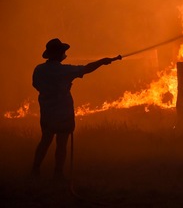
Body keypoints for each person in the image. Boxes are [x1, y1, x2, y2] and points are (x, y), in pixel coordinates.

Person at [31, 38, 122, 180]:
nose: (64, 54)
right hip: (63, 113)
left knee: (45, 140)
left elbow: (36, 85)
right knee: (62, 144)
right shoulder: (64, 71)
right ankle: (58, 173)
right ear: (59, 54)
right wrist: (102, 61)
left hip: (47, 112)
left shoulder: (39, 70)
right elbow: (86, 69)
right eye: (63, 52)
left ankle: (35, 170)